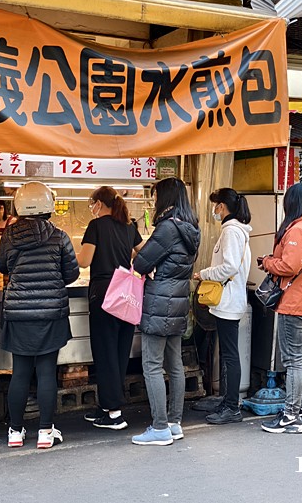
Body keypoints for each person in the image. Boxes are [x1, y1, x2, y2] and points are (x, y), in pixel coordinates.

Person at [0, 181, 79, 449]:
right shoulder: (59, 236)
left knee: (20, 372)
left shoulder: (8, 236)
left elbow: (2, 267)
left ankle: (14, 431)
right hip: (50, 313)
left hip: (19, 313)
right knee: (46, 372)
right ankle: (45, 432)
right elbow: (72, 273)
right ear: (49, 206)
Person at [130, 178, 200, 446]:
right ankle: (174, 423)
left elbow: (141, 261)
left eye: (156, 194)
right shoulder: (191, 227)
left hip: (159, 304)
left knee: (152, 365)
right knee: (175, 365)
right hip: (179, 302)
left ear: (166, 197)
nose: (153, 199)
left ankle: (159, 427)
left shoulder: (167, 228)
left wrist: (148, 266)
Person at [259, 182, 302, 434]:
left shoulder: (297, 230)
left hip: (295, 303)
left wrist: (267, 262)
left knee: (294, 361)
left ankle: (291, 416)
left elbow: (288, 267)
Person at [77, 186, 143, 430]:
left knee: (104, 353)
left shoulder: (97, 226)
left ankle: (114, 414)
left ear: (98, 203)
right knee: (119, 351)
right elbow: (143, 253)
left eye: (91, 204)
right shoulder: (129, 226)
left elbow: (84, 261)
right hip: (125, 292)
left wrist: (69, 253)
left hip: (104, 294)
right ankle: (107, 405)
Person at [194, 188, 252, 425]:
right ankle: (228, 401)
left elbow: (228, 267)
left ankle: (231, 407)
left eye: (215, 205)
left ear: (222, 207)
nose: (214, 210)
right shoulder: (236, 231)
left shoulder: (231, 232)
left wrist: (203, 274)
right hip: (229, 300)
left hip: (228, 301)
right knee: (229, 354)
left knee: (230, 355)